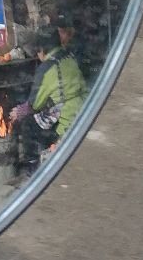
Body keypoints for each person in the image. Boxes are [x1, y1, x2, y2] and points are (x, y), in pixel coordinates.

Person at [9, 25, 88, 173]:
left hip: (67, 119)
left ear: (41, 50)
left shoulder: (46, 67)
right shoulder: (69, 57)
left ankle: (33, 168)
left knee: (27, 123)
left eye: (37, 52)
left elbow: (33, 106)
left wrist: (17, 112)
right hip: (85, 109)